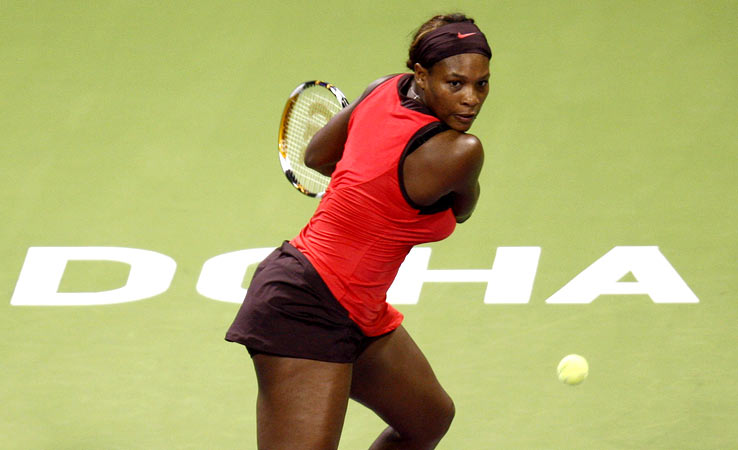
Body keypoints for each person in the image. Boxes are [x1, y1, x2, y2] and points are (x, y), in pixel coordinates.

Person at [226, 13, 491, 450]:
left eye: (481, 84)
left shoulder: (383, 88)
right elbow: (463, 210)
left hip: (359, 311)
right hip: (305, 304)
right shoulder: (462, 151)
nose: (471, 99)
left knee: (427, 419)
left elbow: (317, 156)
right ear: (422, 76)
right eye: (455, 83)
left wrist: (369, 181)